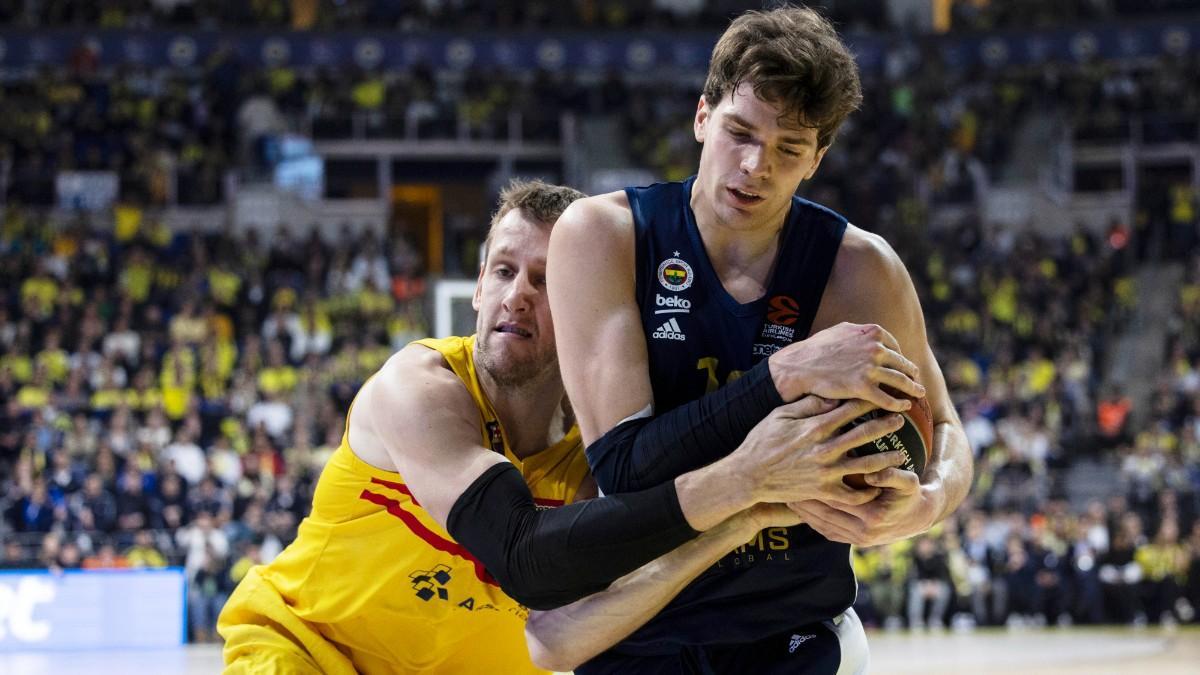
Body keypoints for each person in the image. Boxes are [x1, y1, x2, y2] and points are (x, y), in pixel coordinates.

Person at [218, 179, 906, 674]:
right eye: (503, 271)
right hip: (306, 651)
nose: (517, 294)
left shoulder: (607, 451)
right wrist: (743, 481)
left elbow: (560, 639)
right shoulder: (418, 388)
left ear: (586, 300)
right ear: (477, 288)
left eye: (546, 281)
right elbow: (522, 554)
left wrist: (745, 516)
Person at [547, 7, 973, 673]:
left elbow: (942, 425)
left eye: (789, 149)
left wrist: (927, 502)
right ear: (702, 117)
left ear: (817, 159)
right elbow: (625, 470)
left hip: (795, 627)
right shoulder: (604, 236)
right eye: (739, 132)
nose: (755, 166)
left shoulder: (861, 270)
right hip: (636, 619)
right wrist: (784, 374)